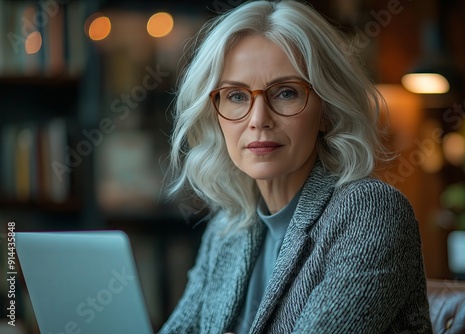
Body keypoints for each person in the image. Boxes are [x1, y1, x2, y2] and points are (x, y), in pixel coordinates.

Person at [159, 0, 432, 333]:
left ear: (327, 110)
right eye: (236, 96)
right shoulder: (227, 229)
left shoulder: (370, 211)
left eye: (286, 93)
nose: (258, 120)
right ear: (214, 113)